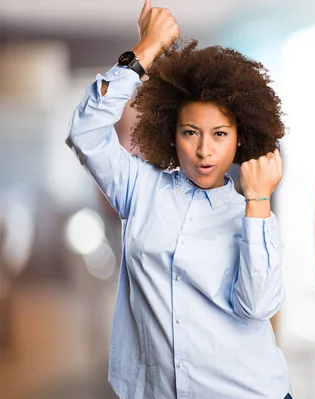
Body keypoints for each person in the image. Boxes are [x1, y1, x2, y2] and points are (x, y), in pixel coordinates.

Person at [66, 1, 292, 398]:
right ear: (171, 132)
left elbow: (257, 306)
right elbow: (85, 132)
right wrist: (144, 51)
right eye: (191, 132)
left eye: (220, 134)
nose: (204, 150)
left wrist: (258, 202)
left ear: (241, 138)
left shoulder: (249, 213)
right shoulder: (140, 188)